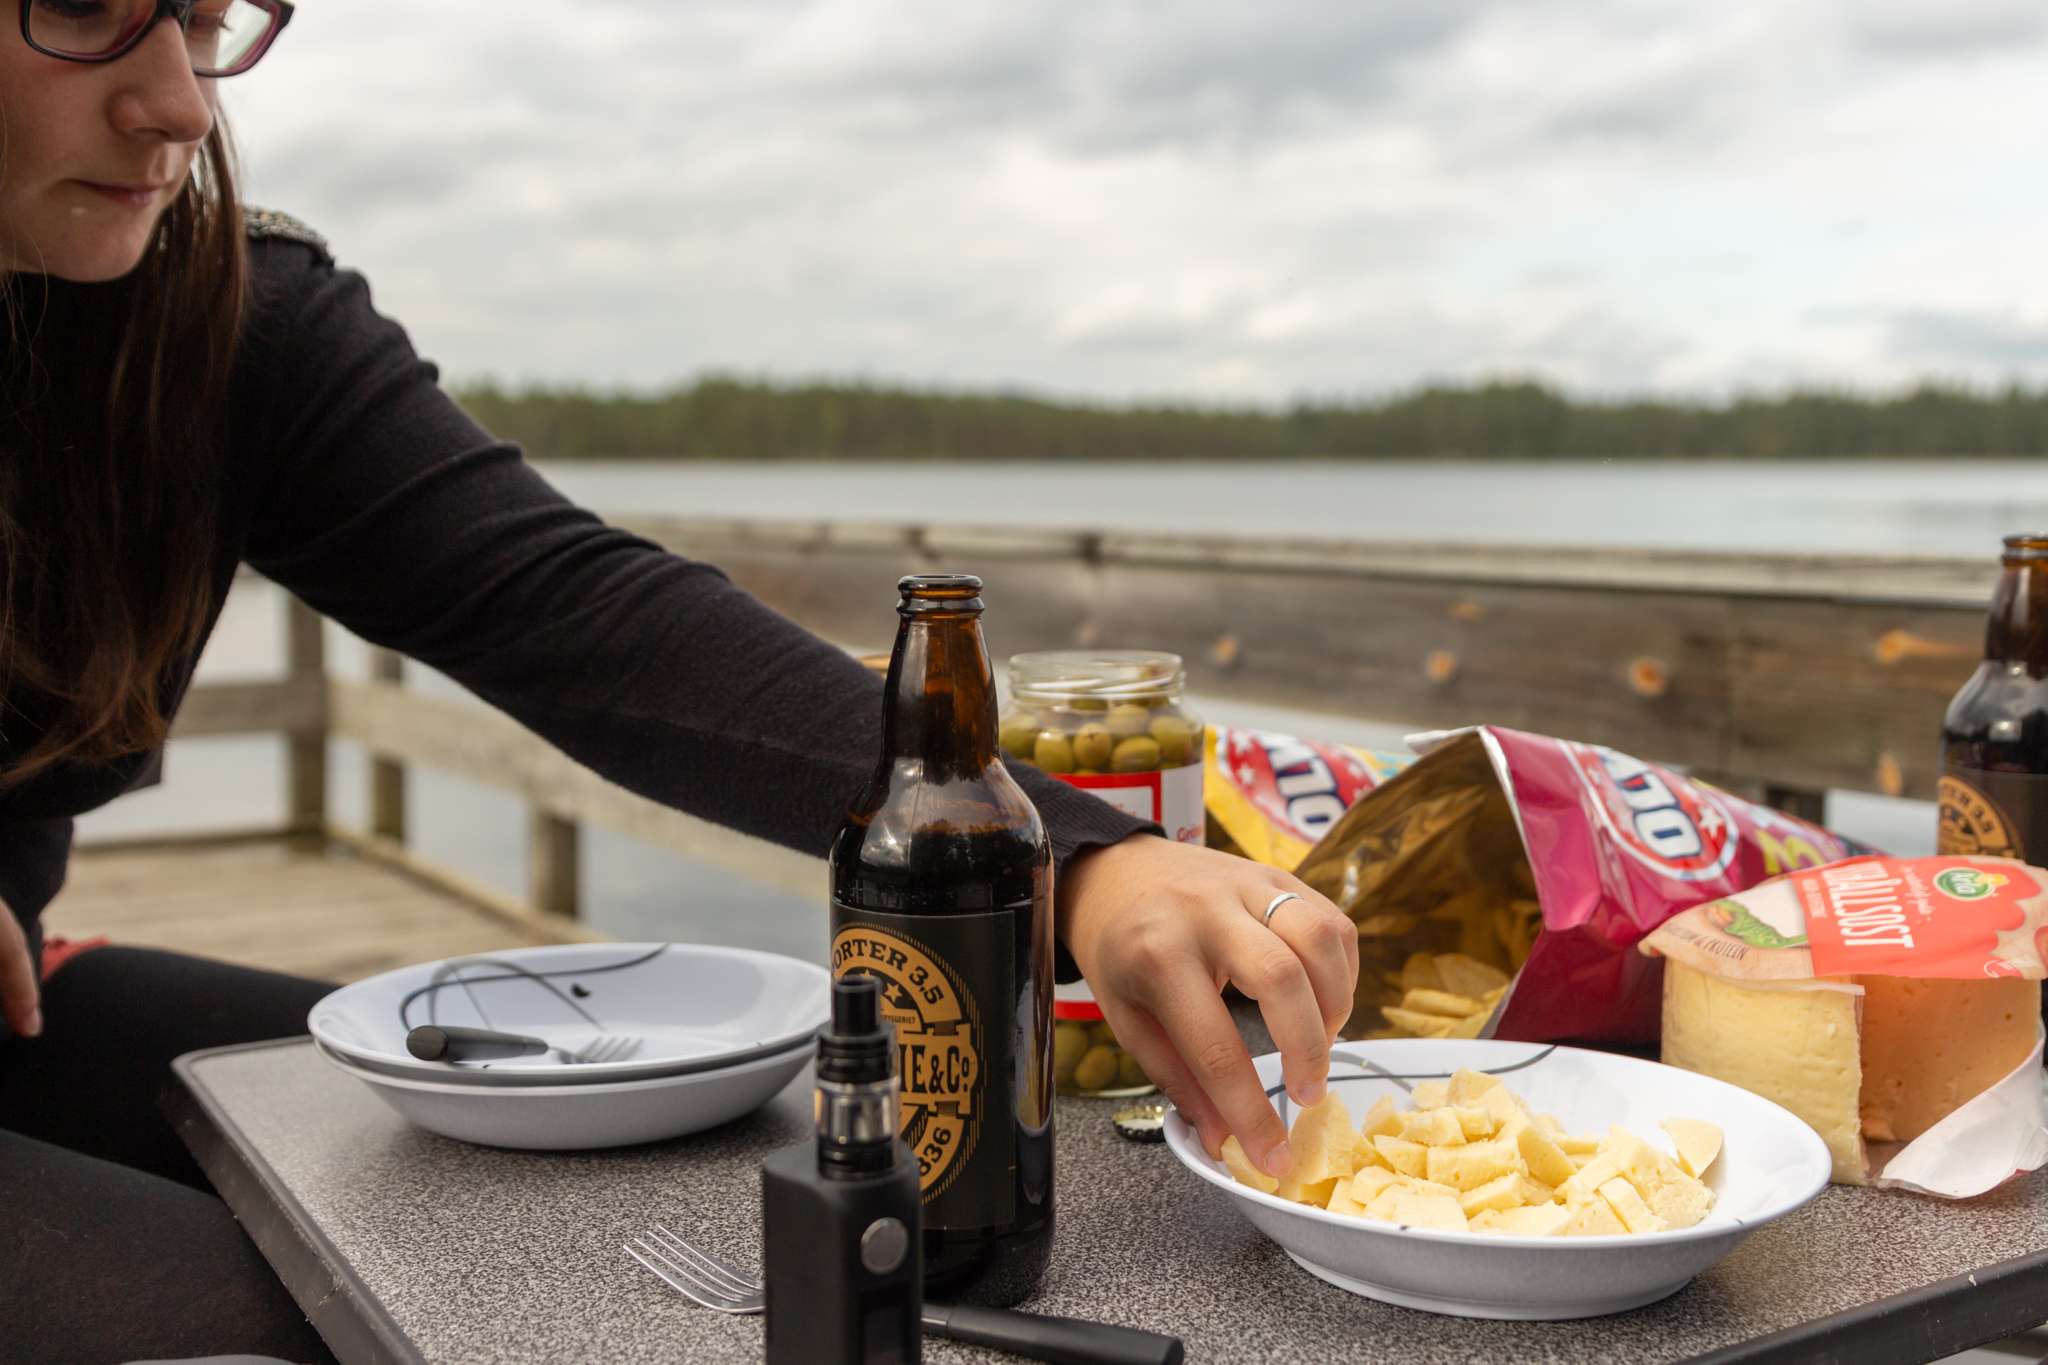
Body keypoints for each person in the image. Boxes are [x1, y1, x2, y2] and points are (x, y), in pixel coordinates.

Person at [0, 2, 1356, 1359]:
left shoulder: (227, 322)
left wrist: (1091, 860)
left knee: (453, 1226)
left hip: (24, 1004)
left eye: (204, 17)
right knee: (308, 1329)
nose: (181, 103)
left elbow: (574, 608)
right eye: (81, 6)